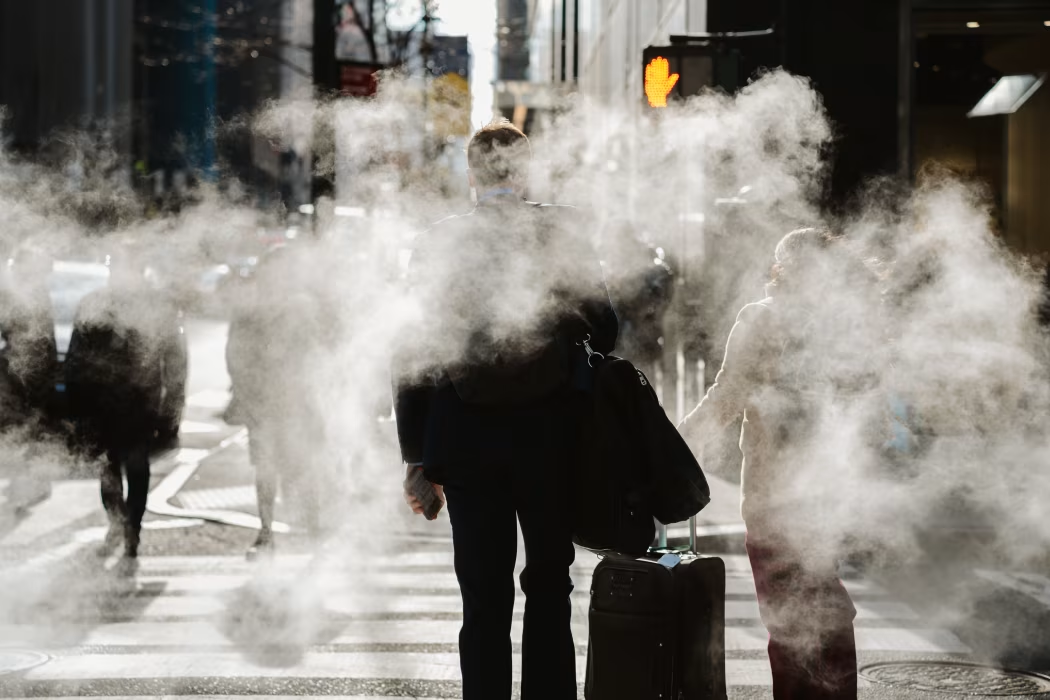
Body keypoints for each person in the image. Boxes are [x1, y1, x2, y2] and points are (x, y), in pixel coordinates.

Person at [394, 119, 618, 699]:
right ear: (525, 172)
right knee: (549, 588)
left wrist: (416, 457)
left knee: (483, 600)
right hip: (550, 441)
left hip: (465, 445)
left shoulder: (438, 243)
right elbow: (607, 331)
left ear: (470, 175)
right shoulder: (563, 230)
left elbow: (413, 351)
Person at [679, 228, 886, 700]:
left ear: (781, 269)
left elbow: (726, 397)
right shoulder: (843, 326)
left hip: (773, 495)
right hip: (824, 494)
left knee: (789, 621)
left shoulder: (762, 320)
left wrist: (675, 442)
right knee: (823, 606)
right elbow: (864, 408)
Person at [65, 252, 181, 568]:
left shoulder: (156, 306)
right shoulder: (95, 303)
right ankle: (122, 524)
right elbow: (76, 358)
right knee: (114, 467)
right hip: (106, 402)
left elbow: (174, 357)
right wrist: (75, 406)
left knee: (129, 466)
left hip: (139, 402)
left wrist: (173, 404)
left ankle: (129, 525)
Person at [225, 246, 324, 559]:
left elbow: (316, 353)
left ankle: (310, 530)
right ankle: (269, 531)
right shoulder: (253, 309)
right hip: (265, 402)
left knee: (301, 468)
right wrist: (246, 393)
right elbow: (235, 355)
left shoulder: (303, 306)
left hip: (295, 402)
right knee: (268, 469)